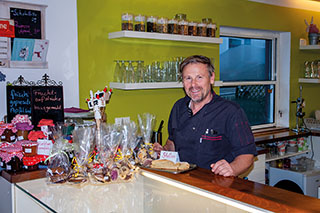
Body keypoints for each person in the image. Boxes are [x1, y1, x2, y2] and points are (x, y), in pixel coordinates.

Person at [153, 55, 257, 177]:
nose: (193, 85)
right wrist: (164, 151)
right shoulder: (178, 107)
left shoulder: (231, 112)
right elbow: (172, 142)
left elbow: (247, 155)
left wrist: (232, 168)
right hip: (183, 182)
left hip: (216, 186)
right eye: (188, 78)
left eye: (199, 77)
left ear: (211, 78)